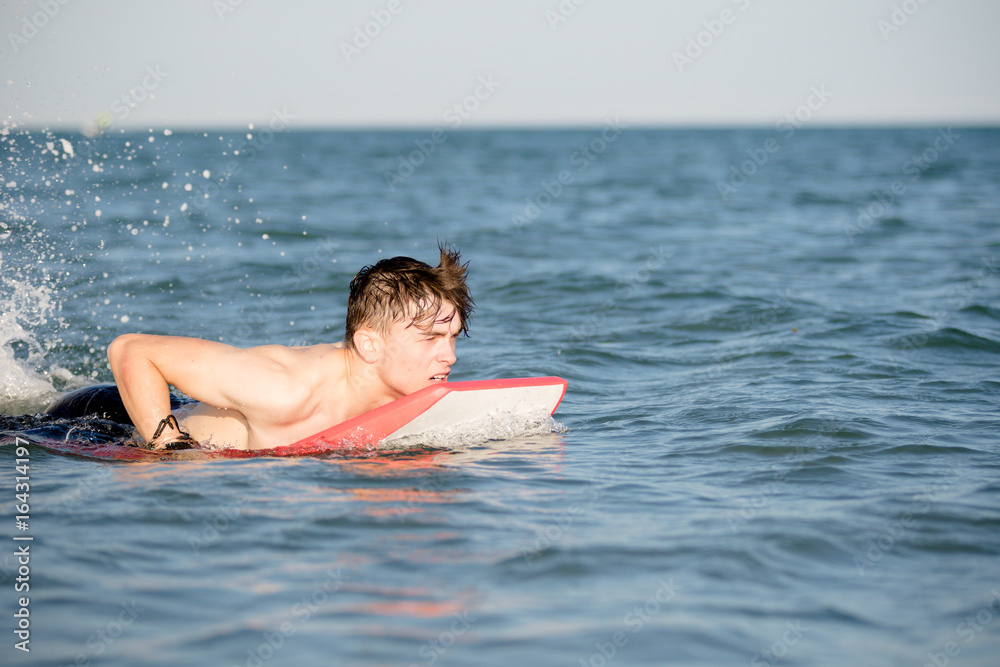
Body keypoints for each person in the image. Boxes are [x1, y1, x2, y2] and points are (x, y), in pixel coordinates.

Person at [48, 245, 473, 451]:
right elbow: (131, 351)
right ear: (369, 344)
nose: (449, 356)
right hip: (104, 418)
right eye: (431, 338)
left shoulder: (403, 391)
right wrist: (167, 449)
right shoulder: (282, 389)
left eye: (453, 337)